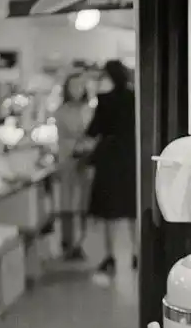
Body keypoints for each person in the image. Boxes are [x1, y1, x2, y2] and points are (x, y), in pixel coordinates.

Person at [83, 60, 136, 279]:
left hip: (109, 158)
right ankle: (137, 253)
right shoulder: (134, 98)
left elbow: (93, 130)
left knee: (109, 211)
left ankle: (110, 256)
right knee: (132, 209)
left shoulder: (104, 101)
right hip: (131, 157)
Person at [55, 73, 94, 260]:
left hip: (86, 162)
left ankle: (81, 242)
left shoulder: (89, 110)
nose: (76, 90)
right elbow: (66, 138)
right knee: (67, 204)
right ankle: (68, 243)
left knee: (84, 204)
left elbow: (93, 136)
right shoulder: (61, 112)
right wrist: (77, 146)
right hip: (68, 161)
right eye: (73, 86)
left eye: (80, 86)